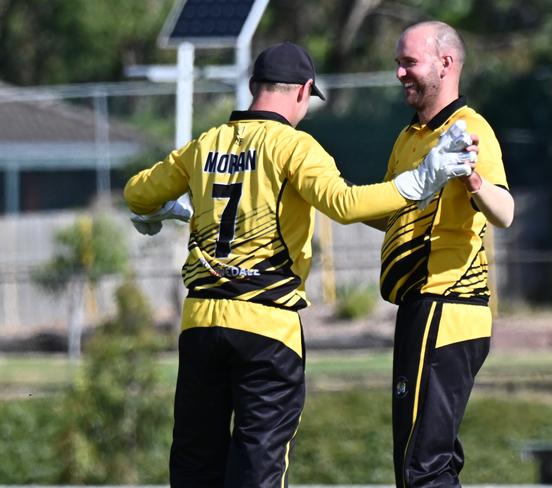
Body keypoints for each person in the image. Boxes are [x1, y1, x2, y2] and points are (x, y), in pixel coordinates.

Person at [123, 41, 477, 488]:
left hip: (200, 325)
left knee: (195, 466)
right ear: (303, 90)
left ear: (253, 87)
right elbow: (345, 204)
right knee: (258, 471)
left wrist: (167, 207)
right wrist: (422, 180)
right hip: (267, 330)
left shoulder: (204, 145)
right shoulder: (294, 146)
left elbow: (137, 193)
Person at [370, 21, 515, 487]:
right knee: (428, 462)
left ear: (445, 63)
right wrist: (332, 200)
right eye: (398, 63)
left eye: (408, 62)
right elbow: (393, 212)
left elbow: (505, 211)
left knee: (423, 468)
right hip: (420, 308)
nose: (399, 73)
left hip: (446, 305)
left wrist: (473, 181)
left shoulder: (469, 129)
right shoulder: (410, 137)